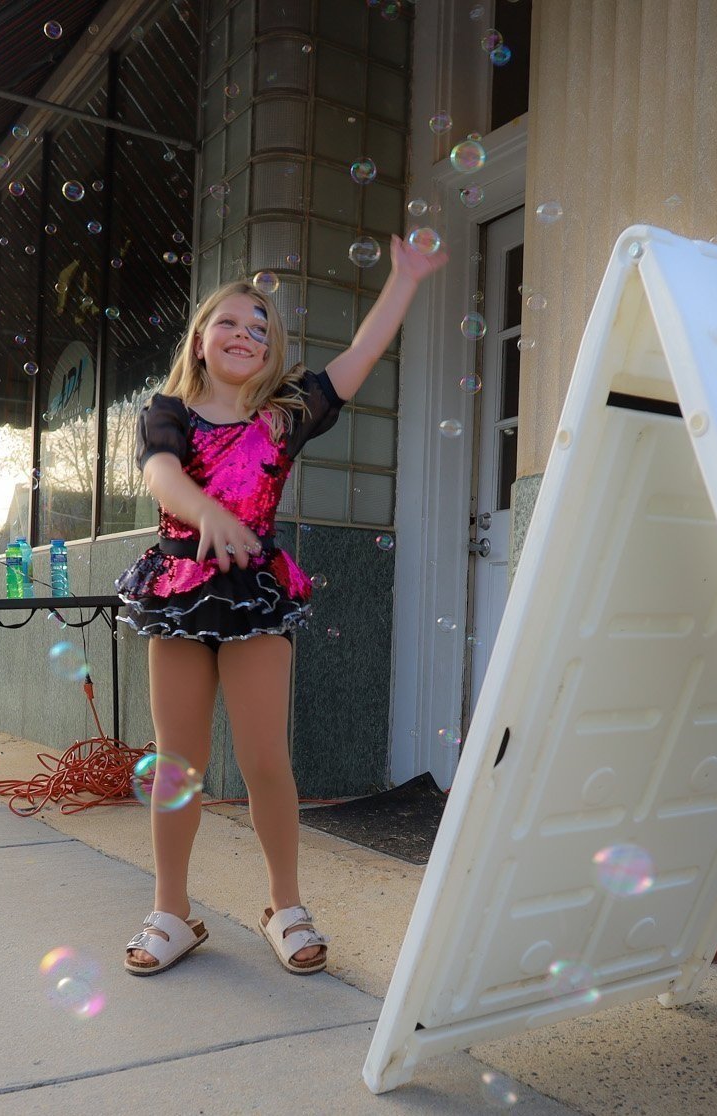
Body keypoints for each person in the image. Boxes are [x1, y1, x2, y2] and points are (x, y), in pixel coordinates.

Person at [117, 238, 448, 977]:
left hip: (255, 595)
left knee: (267, 757)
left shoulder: (287, 412)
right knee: (179, 762)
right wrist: (203, 512)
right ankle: (171, 911)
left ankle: (284, 907)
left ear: (273, 351)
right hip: (177, 591)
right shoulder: (164, 410)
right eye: (229, 322)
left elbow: (361, 354)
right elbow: (162, 478)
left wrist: (403, 278)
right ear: (201, 340)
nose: (244, 334)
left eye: (260, 327)